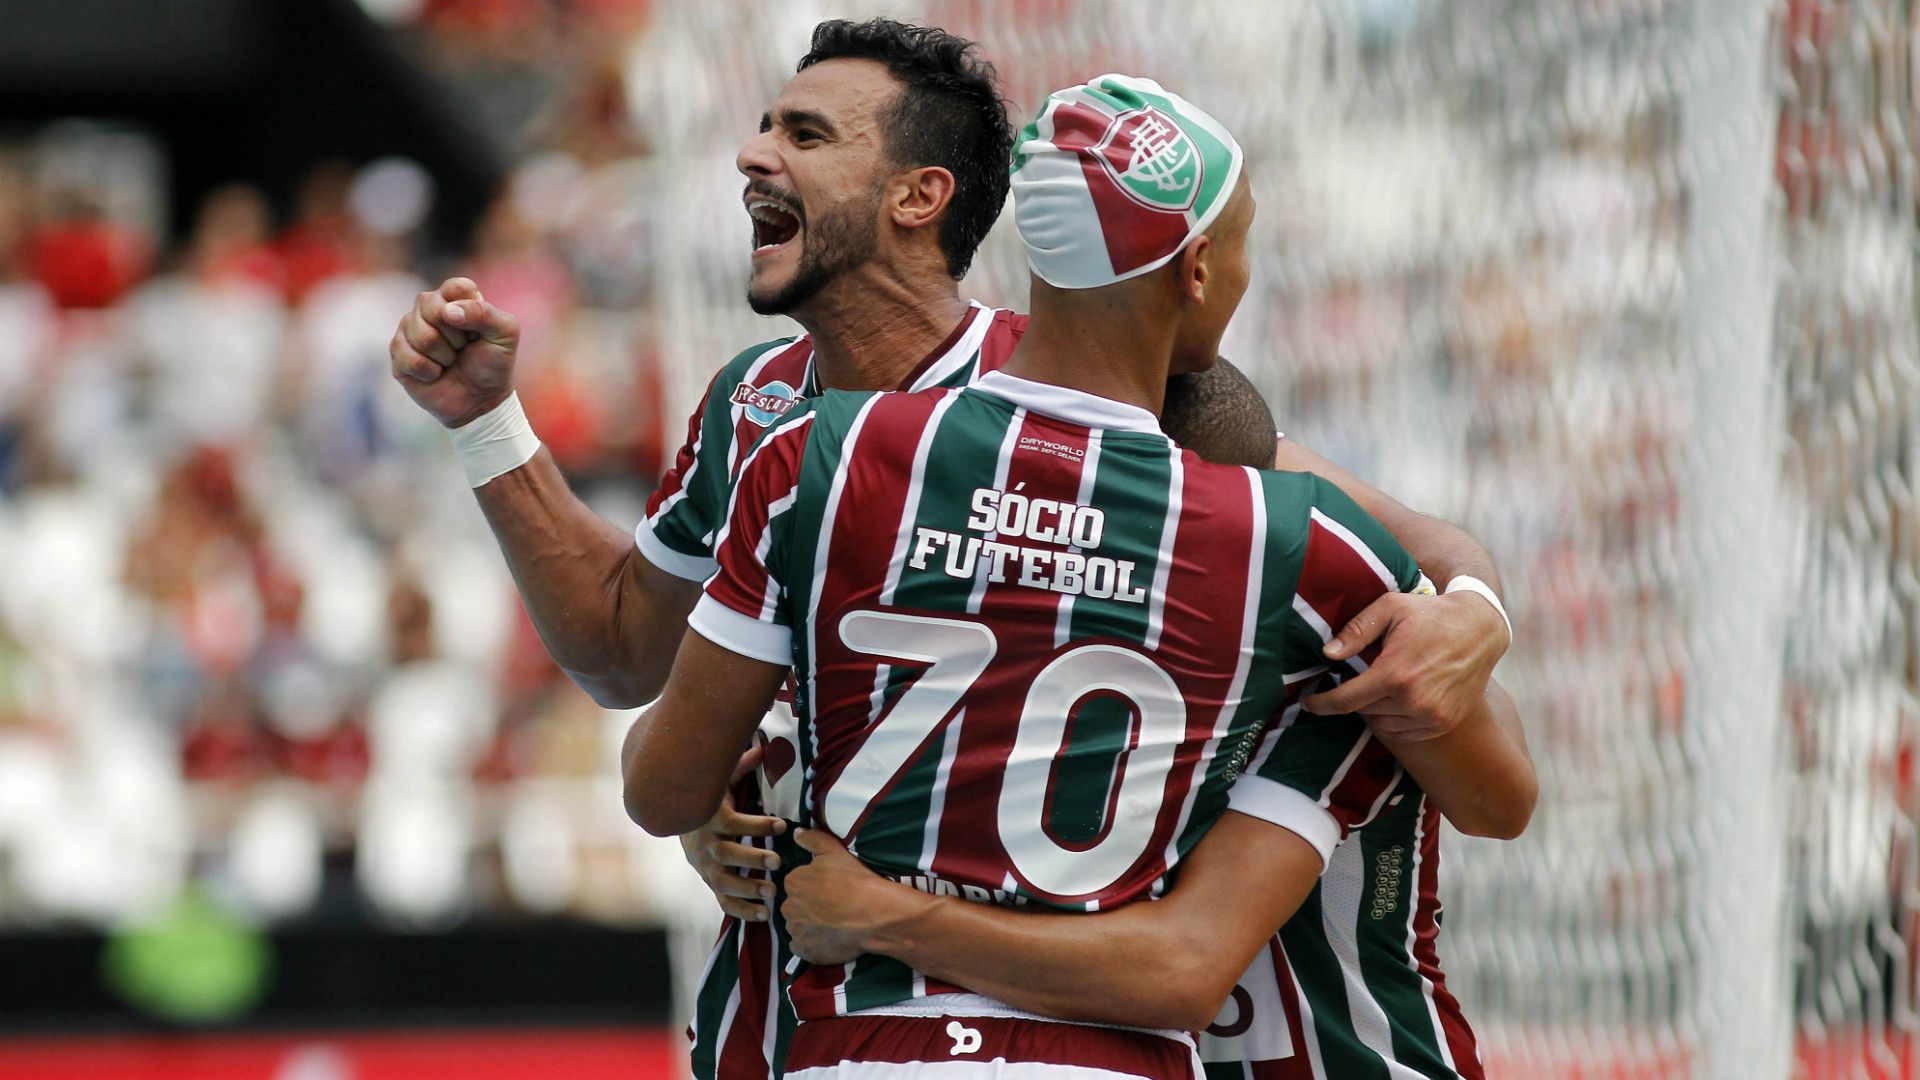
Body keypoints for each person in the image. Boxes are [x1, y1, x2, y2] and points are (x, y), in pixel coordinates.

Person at [388, 19, 1526, 1079]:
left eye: (804, 133)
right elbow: (624, 655)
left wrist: (1475, 605)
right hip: (846, 1012)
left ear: (919, 197)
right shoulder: (762, 408)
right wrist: (491, 428)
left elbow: (1393, 552)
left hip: (1180, 1007)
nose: (750, 155)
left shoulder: (1089, 389)